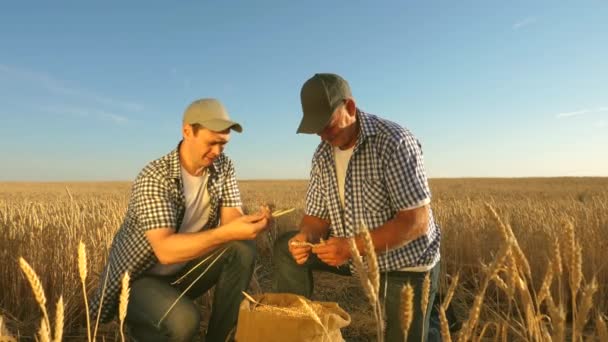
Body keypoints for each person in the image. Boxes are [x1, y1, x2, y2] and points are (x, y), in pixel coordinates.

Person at [273, 73, 441, 341]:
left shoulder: (394, 141)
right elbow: (316, 218)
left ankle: (430, 319)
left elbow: (415, 222)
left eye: (327, 125)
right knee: (286, 248)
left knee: (408, 334)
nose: (323, 136)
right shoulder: (322, 155)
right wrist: (305, 237)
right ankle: (298, 331)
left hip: (403, 263)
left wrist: (349, 247)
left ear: (349, 107)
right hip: (350, 253)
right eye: (316, 129)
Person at [89, 98, 270, 341]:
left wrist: (250, 223)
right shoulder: (155, 176)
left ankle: (219, 338)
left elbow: (231, 222)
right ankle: (146, 328)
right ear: (187, 131)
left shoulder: (223, 166)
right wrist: (227, 232)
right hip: (138, 281)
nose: (217, 151)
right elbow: (165, 251)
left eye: (223, 144)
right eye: (212, 143)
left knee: (242, 248)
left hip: (183, 271)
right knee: (185, 320)